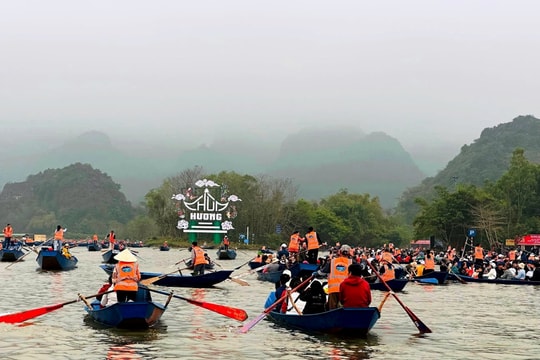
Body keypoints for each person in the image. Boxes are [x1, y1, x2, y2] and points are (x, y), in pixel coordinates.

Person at [320, 245, 353, 310]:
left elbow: (322, 272)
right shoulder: (352, 263)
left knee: (332, 309)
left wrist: (316, 273)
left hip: (333, 290)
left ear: (340, 252)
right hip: (346, 290)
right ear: (349, 253)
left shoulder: (332, 262)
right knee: (344, 309)